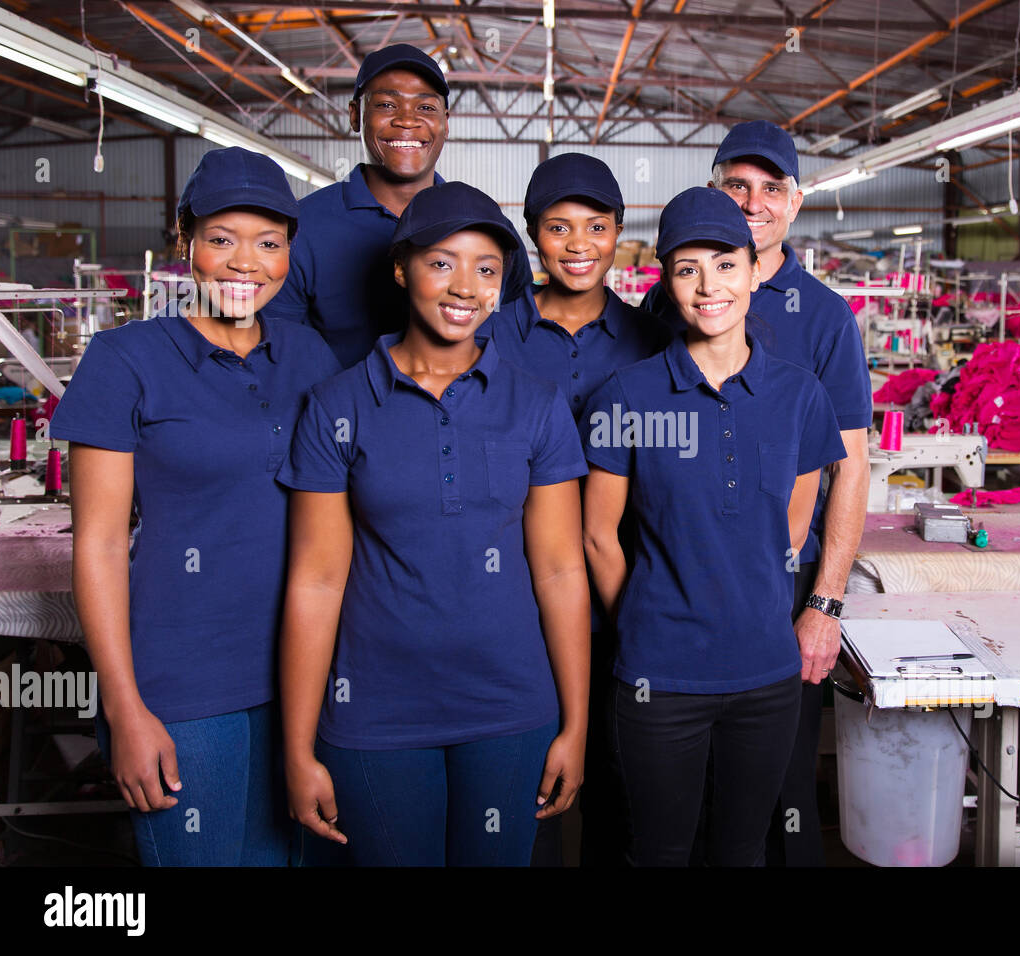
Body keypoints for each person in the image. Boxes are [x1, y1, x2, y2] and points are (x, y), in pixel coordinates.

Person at [277, 181, 590, 867]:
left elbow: (563, 571)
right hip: (375, 713)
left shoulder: (536, 406)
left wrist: (576, 724)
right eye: (441, 262)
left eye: (486, 268)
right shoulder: (338, 403)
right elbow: (316, 582)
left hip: (511, 708)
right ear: (401, 268)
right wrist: (297, 748)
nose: (465, 286)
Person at [52, 146, 341, 866]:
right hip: (183, 682)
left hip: (315, 674)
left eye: (268, 243)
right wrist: (124, 704)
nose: (246, 263)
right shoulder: (125, 360)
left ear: (290, 252)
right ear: (185, 242)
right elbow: (98, 544)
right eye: (221, 239)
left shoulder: (314, 358)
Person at [581, 187, 847, 866]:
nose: (709, 286)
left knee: (742, 851)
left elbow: (792, 526)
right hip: (657, 678)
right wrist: (643, 617)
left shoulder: (799, 396)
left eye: (726, 264)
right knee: (660, 852)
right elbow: (598, 536)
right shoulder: (627, 396)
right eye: (687, 268)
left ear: (756, 271)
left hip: (765, 675)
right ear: (666, 283)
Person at [640, 120, 872, 866]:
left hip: (779, 598)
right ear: (713, 190)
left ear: (796, 202)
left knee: (780, 796)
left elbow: (851, 467)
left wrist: (823, 603)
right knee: (673, 804)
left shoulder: (827, 317)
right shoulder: (666, 306)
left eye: (772, 188)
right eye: (737, 185)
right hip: (674, 603)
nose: (754, 202)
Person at [482, 151, 669, 867]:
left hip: (626, 603)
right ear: (533, 236)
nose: (580, 244)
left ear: (619, 231)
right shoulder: (492, 336)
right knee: (529, 792)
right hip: (519, 606)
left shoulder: (650, 341)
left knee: (621, 794)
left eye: (596, 226)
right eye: (559, 228)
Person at [263, 44, 532, 369]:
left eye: (426, 108)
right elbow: (279, 358)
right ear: (354, 115)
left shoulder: (488, 229)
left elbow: (519, 333)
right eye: (387, 104)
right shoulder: (300, 228)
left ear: (446, 122)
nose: (407, 120)